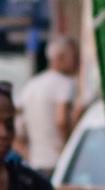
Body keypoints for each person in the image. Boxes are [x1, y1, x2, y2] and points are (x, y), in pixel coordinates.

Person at [17, 35, 82, 173]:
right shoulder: (66, 84)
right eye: (75, 57)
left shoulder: (31, 85)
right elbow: (62, 120)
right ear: (60, 57)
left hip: (35, 164)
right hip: (57, 163)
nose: (78, 62)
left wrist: (28, 155)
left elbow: (16, 128)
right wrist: (68, 150)